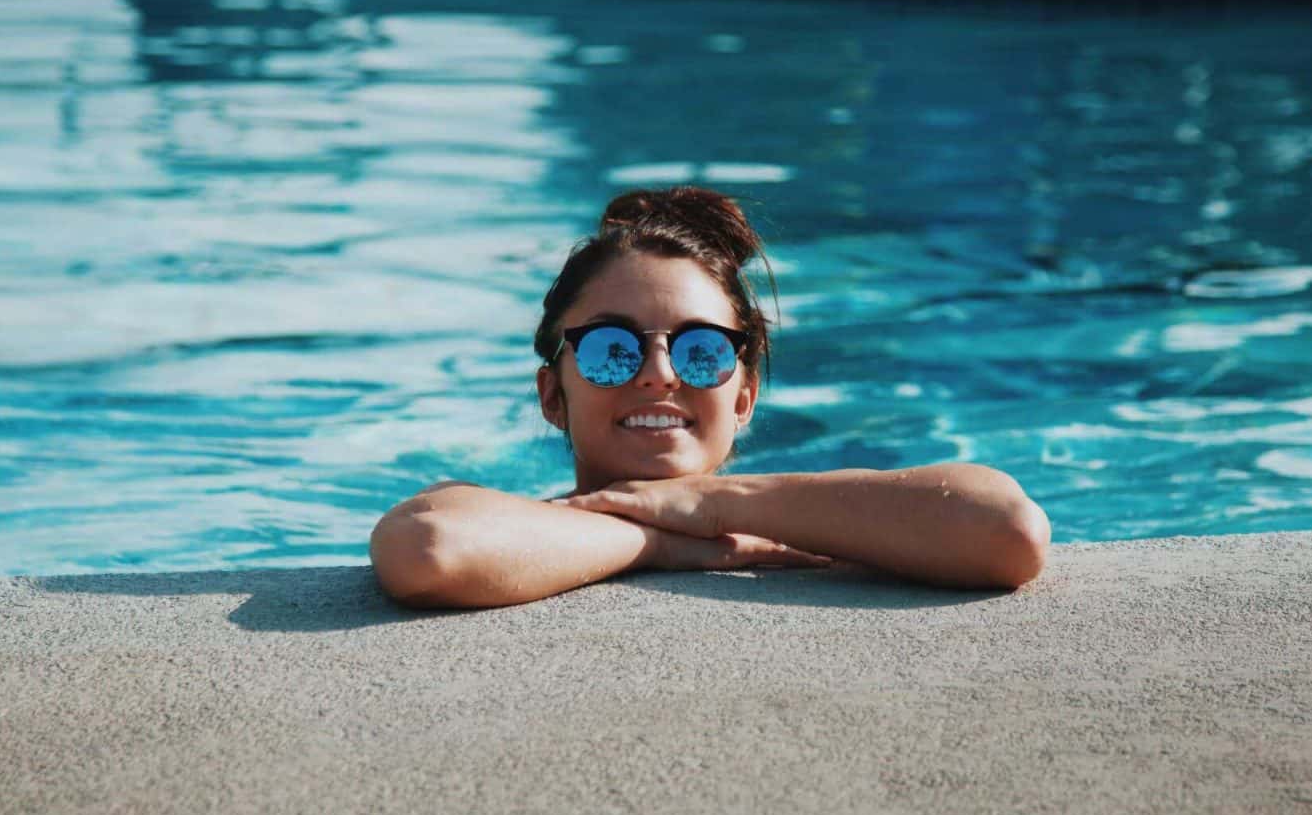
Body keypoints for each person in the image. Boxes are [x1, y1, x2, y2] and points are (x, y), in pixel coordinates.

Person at [369, 187, 1050, 609]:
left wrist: (717, 503)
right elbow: (429, 547)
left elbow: (1007, 532)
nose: (660, 374)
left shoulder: (840, 519)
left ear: (745, 395)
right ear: (553, 395)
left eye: (702, 351)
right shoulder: (506, 525)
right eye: (613, 349)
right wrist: (658, 541)